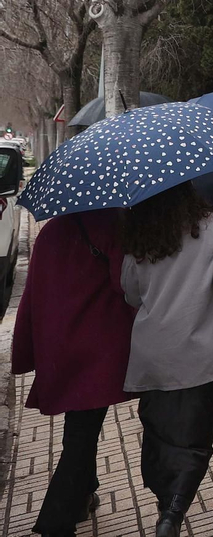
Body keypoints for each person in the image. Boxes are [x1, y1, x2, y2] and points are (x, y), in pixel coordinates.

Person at [121, 182, 213, 537]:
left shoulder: (140, 233)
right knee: (197, 434)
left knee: (160, 430)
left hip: (154, 352)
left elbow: (131, 293)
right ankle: (173, 511)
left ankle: (166, 500)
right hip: (209, 350)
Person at [12, 209, 135, 537]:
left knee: (79, 422)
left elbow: (34, 289)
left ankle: (84, 494)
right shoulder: (109, 226)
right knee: (83, 432)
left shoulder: (50, 231)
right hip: (94, 346)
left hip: (58, 344)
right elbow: (124, 284)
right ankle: (55, 520)